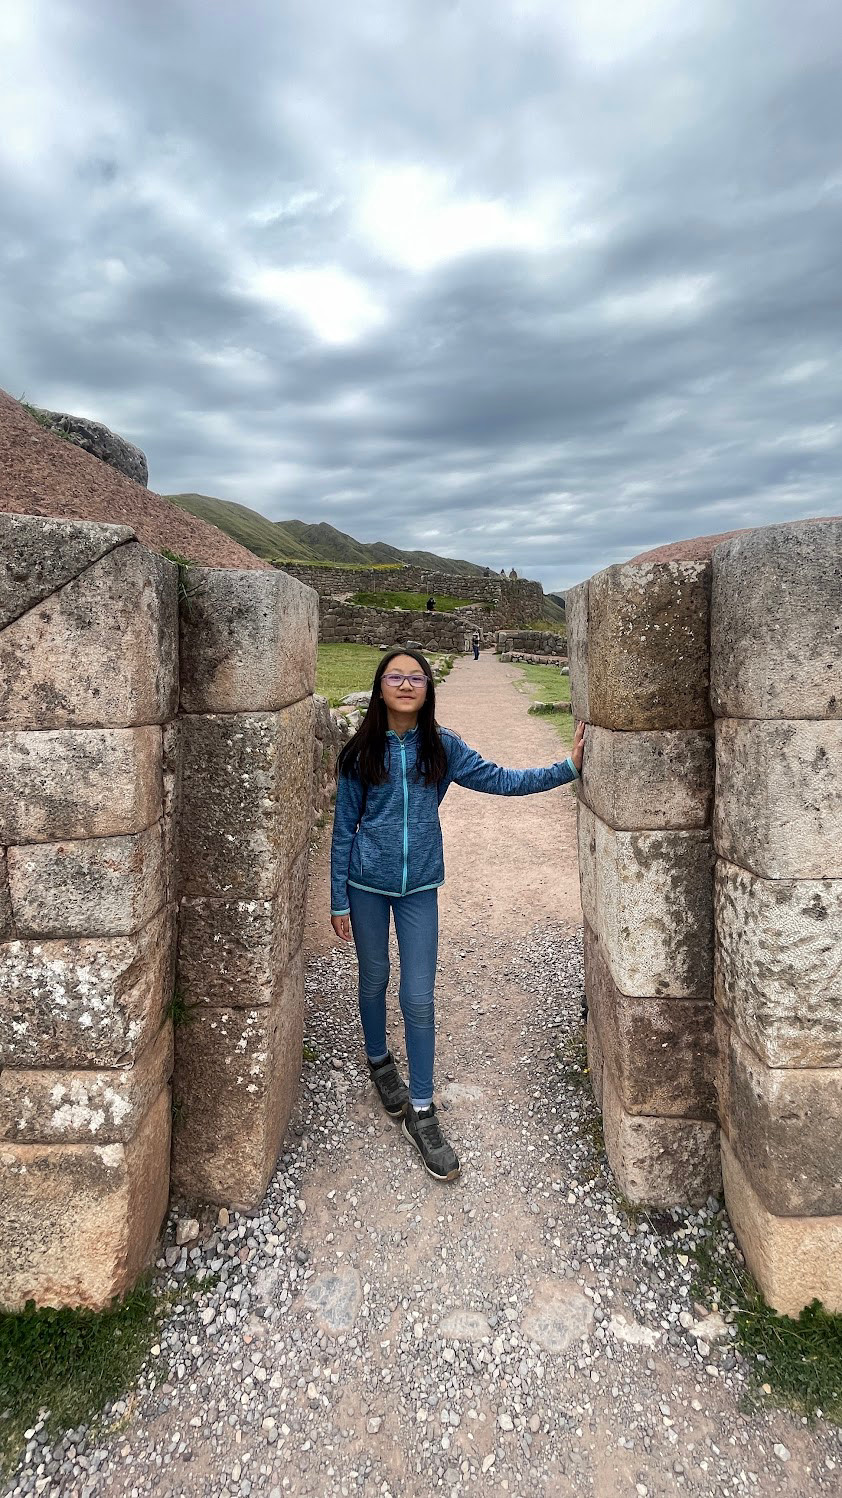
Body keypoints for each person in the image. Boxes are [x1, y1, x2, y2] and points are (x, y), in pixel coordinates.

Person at [330, 648, 585, 1183]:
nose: (406, 684)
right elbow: (343, 829)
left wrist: (566, 769)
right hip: (365, 886)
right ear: (380, 688)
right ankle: (379, 1061)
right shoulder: (359, 753)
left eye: (416, 677)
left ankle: (422, 1110)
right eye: (395, 676)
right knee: (373, 977)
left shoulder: (442, 747)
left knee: (418, 997)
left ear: (428, 689)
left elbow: (500, 779)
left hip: (421, 886)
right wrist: (337, 899)